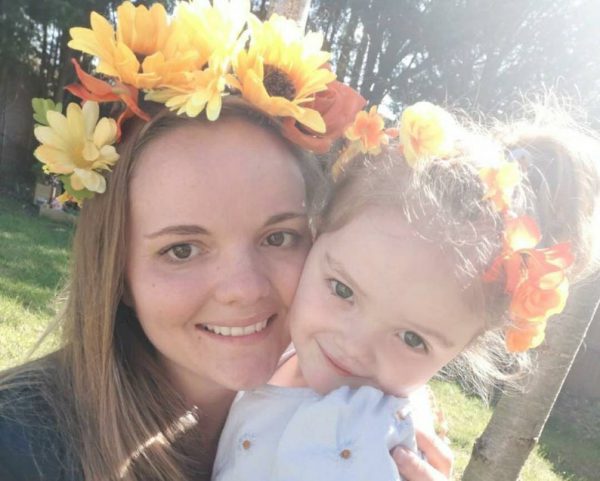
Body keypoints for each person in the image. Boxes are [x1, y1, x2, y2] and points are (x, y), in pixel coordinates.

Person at [0, 1, 453, 480]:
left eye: (279, 237)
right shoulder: (21, 449)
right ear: (117, 271)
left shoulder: (346, 405)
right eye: (182, 249)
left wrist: (398, 413)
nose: (245, 288)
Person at [210, 100, 600, 481]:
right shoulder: (284, 352)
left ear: (464, 347)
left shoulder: (354, 441)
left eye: (412, 339)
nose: (355, 345)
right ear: (315, 233)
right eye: (343, 291)